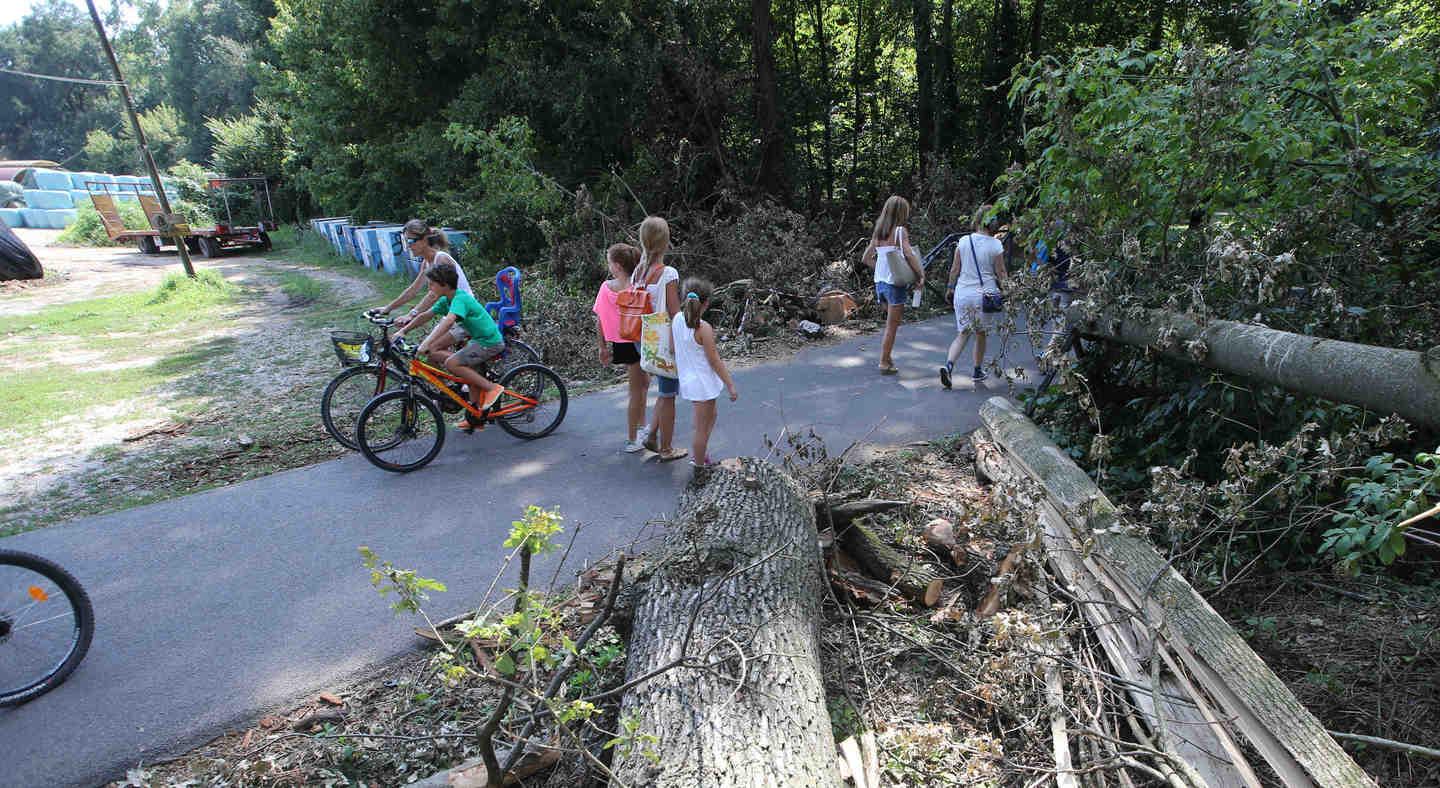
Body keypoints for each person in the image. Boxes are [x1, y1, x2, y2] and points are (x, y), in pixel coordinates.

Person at [415, 263, 505, 430]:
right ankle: (475, 419)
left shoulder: (460, 298)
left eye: (432, 283)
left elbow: (449, 321)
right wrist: (403, 331)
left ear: (444, 284)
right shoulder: (446, 300)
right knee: (468, 377)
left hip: (489, 342)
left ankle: (492, 388)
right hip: (478, 341)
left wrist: (427, 342)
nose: (429, 286)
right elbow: (426, 315)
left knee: (452, 363)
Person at [377, 221, 474, 357]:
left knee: (431, 349)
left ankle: (468, 374)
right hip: (451, 311)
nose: (409, 246)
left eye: (411, 241)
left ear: (424, 240)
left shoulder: (440, 259)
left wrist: (411, 315)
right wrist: (387, 308)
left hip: (464, 313)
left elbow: (433, 295)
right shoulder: (427, 262)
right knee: (429, 353)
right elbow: (413, 290)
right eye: (405, 242)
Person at [634, 216, 686, 462]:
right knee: (668, 395)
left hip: (645, 339)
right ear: (665, 241)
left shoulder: (638, 271)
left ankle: (652, 435)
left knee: (664, 391)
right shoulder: (668, 273)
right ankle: (666, 449)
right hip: (665, 341)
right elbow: (674, 312)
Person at [671, 278, 737, 468]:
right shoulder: (704, 328)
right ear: (706, 303)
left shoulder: (676, 319)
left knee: (711, 415)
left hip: (690, 381)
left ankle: (701, 454)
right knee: (701, 428)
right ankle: (699, 465)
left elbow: (673, 348)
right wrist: (730, 385)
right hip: (702, 382)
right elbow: (714, 360)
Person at [593, 242, 651, 452]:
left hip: (624, 343)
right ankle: (635, 435)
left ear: (617, 266)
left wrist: (602, 347)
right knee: (638, 388)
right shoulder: (639, 286)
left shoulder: (607, 288)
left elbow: (599, 319)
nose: (608, 266)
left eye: (609, 262)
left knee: (641, 386)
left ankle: (637, 432)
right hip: (640, 340)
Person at [941, 204, 1008, 387]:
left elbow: (955, 269)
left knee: (962, 333)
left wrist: (950, 287)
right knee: (980, 333)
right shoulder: (996, 244)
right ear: (992, 222)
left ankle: (948, 366)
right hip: (984, 296)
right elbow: (1001, 272)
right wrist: (1009, 291)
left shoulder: (963, 241)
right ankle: (977, 370)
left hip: (962, 293)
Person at [861, 195, 924, 374]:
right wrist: (920, 274)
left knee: (890, 324)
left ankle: (888, 359)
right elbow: (909, 254)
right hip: (894, 285)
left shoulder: (878, 232)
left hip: (879, 283)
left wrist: (881, 269)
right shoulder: (900, 231)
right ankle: (883, 362)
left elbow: (865, 258)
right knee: (892, 326)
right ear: (901, 212)